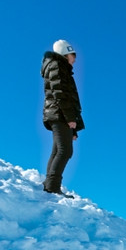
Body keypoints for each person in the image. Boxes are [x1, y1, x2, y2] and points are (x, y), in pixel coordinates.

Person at [41, 39, 84, 196]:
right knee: (65, 151)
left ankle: (50, 184)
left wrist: (73, 129)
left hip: (59, 114)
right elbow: (60, 94)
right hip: (59, 114)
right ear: (66, 54)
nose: (75, 59)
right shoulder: (57, 66)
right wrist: (70, 118)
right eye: (73, 56)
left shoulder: (61, 68)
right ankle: (52, 186)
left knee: (58, 149)